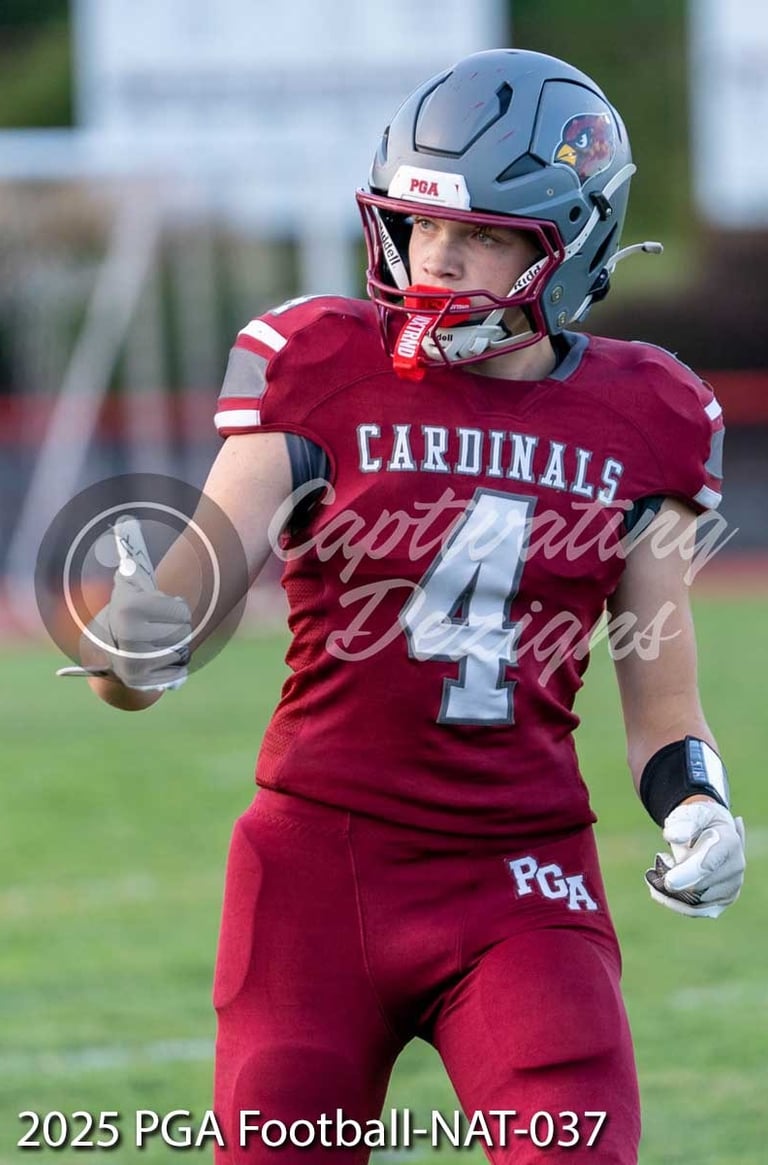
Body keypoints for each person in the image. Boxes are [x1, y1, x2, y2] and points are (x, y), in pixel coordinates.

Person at [80, 50, 746, 1164]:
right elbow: (172, 622)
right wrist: (132, 646)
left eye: (481, 234)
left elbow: (665, 707)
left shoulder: (649, 416)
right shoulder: (319, 364)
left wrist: (699, 807)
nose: (435, 258)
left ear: (573, 243)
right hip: (317, 874)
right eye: (420, 224)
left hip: (523, 881)